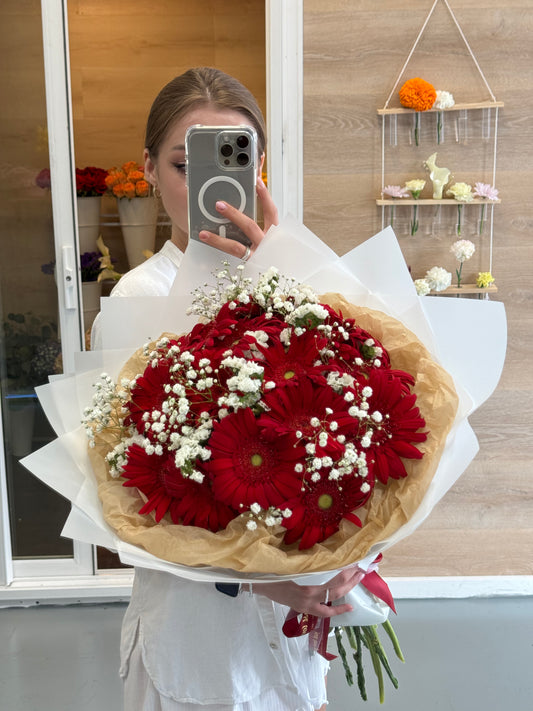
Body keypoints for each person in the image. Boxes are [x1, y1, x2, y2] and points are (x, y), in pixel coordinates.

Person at [92, 67, 363, 711]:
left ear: (259, 167)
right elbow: (125, 499)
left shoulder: (300, 288)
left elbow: (351, 436)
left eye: (231, 160)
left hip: (295, 638)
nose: (206, 186)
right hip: (197, 642)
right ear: (150, 169)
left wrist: (352, 552)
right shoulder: (138, 301)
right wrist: (260, 584)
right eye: (184, 164)